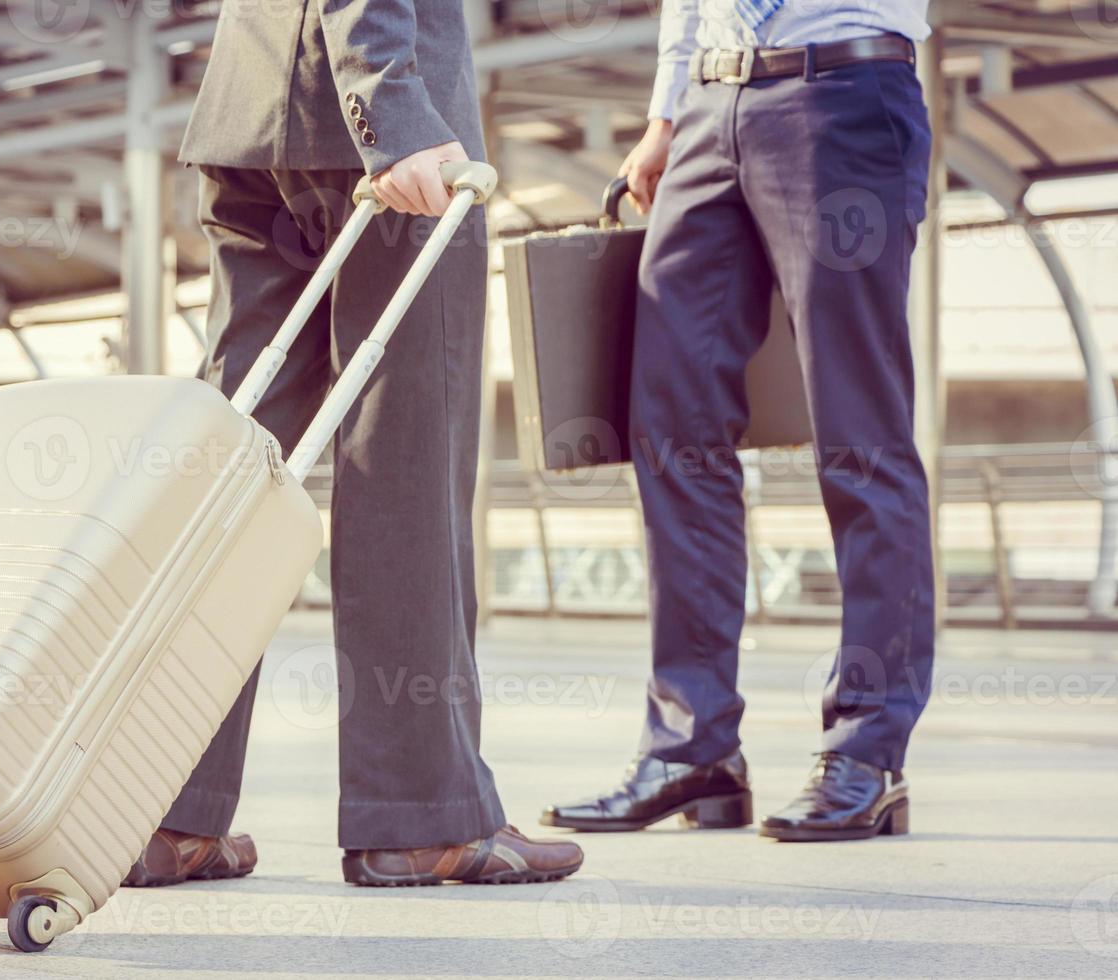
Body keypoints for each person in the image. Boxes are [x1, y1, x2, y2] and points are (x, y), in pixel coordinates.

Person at [124, 0, 582, 887]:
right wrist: (393, 107)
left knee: (231, 477)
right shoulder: (390, 113)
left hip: (253, 115)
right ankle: (419, 816)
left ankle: (159, 806)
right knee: (404, 467)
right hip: (379, 135)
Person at [542, 1, 935, 842]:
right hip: (708, 110)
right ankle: (695, 751)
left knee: (860, 437)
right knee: (670, 427)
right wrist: (663, 115)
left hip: (846, 87)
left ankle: (869, 750)